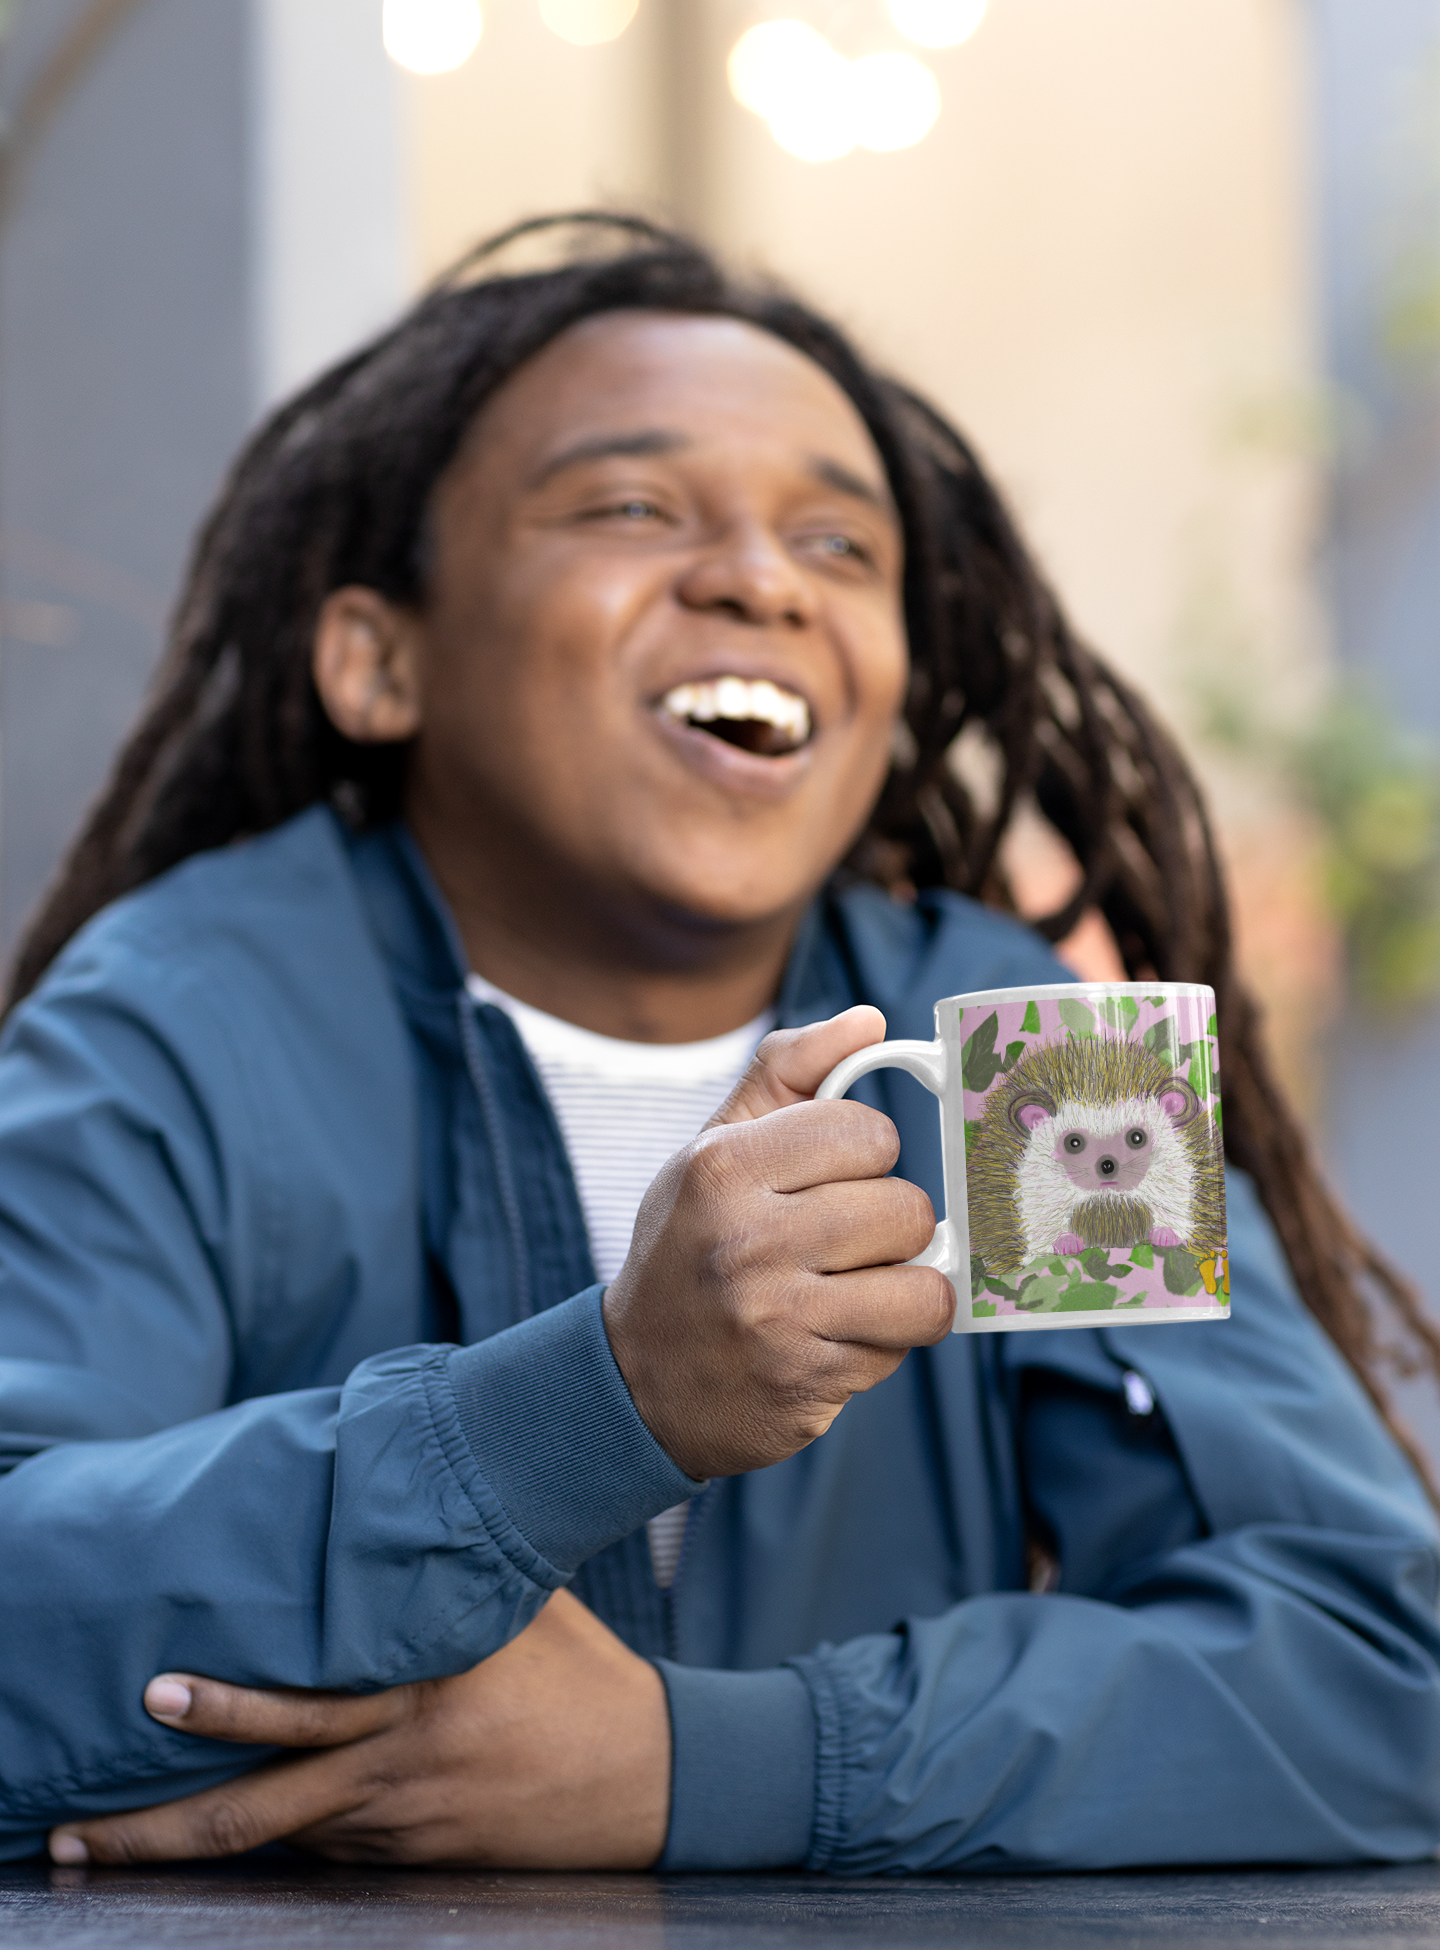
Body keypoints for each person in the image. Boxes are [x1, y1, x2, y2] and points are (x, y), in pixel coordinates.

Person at [2, 214, 1438, 1873]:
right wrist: (593, 1406)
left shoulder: (1018, 1047)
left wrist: (717, 1765)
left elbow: (1377, 1665)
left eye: (841, 546)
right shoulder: (179, 1016)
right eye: (629, 504)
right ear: (379, 659)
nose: (760, 574)